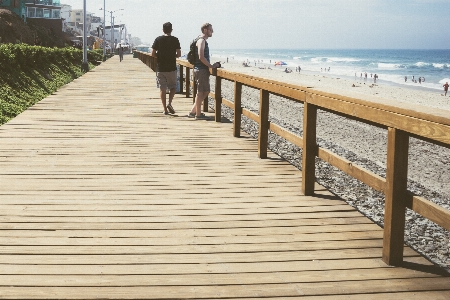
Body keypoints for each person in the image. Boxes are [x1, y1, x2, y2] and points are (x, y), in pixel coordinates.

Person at [188, 23, 220, 120]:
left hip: (200, 69)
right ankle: (197, 114)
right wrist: (211, 66)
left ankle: (193, 111)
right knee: (201, 91)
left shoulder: (199, 39)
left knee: (205, 91)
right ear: (205, 30)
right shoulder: (201, 41)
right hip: (201, 69)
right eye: (210, 30)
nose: (212, 31)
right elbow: (201, 57)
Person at [151, 22, 181, 115]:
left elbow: (153, 53)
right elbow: (179, 54)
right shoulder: (175, 39)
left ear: (163, 30)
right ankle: (169, 103)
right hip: (171, 67)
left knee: (162, 88)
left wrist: (159, 56)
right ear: (171, 30)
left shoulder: (158, 39)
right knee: (173, 87)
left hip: (161, 67)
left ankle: (165, 109)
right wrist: (172, 56)